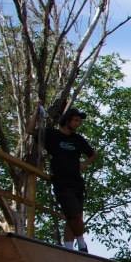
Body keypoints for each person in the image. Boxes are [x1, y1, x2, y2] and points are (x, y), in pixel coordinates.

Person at [45, 107, 96, 252]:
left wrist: (84, 164)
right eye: (75, 120)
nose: (78, 123)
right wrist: (37, 110)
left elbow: (93, 154)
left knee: (73, 217)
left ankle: (68, 248)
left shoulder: (78, 139)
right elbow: (30, 130)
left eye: (79, 121)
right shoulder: (52, 135)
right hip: (61, 181)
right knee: (74, 214)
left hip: (77, 182)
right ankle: (81, 243)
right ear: (67, 120)